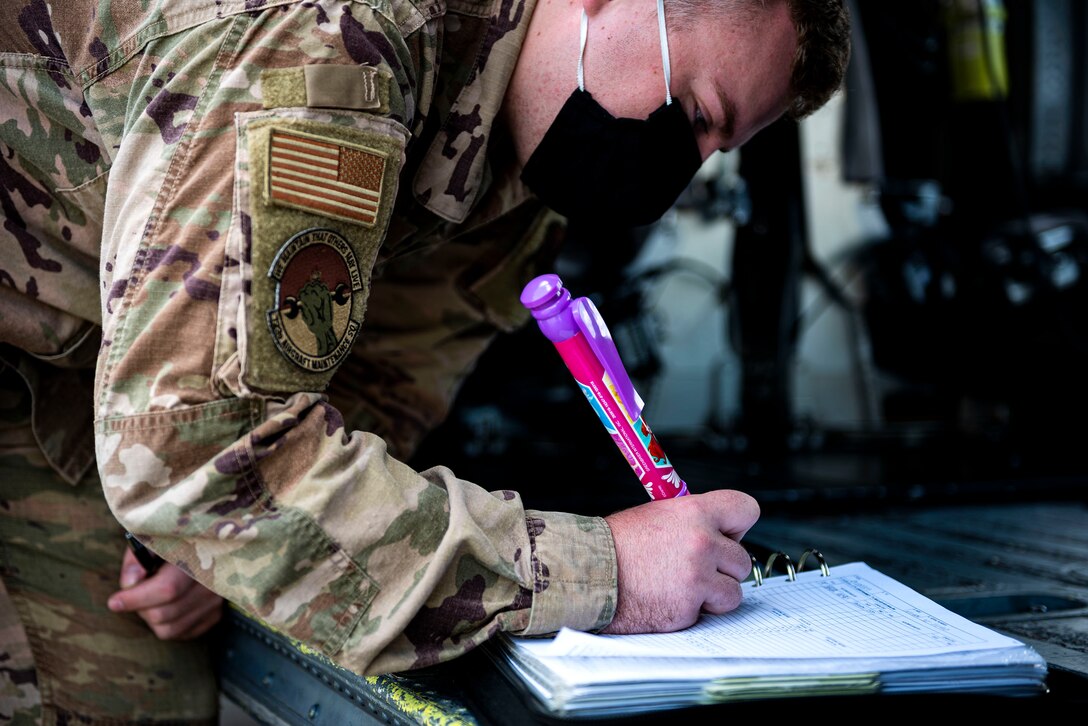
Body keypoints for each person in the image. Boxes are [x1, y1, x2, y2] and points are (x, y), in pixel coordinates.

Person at [0, 0, 849, 721]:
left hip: (74, 366)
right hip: (78, 365)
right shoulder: (330, 44)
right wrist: (607, 573)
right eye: (699, 114)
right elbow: (198, 450)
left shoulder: (523, 141)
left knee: (136, 685)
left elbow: (382, 375)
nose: (685, 169)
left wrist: (253, 542)